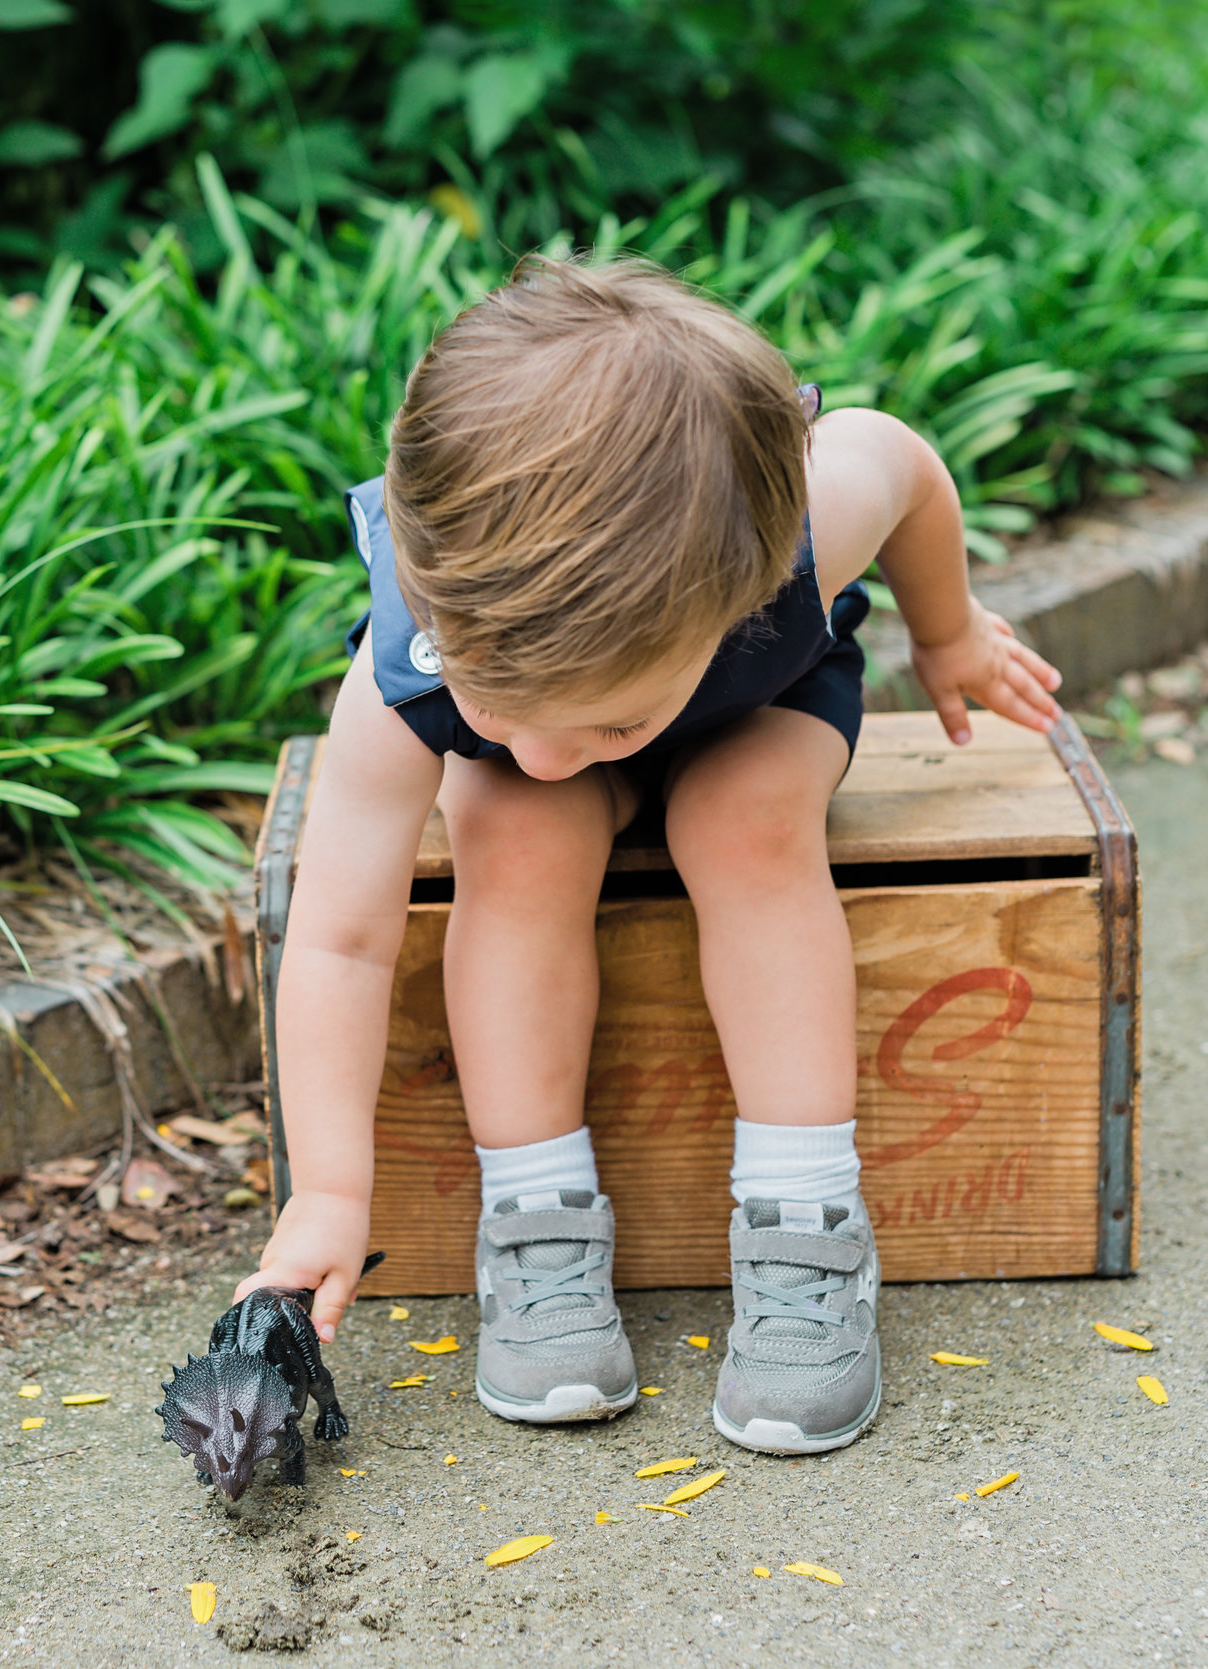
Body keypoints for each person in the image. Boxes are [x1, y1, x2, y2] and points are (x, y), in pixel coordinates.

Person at [235, 254, 1062, 1454]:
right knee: (516, 824)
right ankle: (538, 1224)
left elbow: (905, 460)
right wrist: (328, 1190)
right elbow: (342, 936)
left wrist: (951, 634)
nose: (561, 753)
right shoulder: (413, 667)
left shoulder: (798, 523)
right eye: (502, 702)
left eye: (606, 725)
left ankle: (805, 1224)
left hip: (752, 708)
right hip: (557, 752)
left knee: (742, 821)